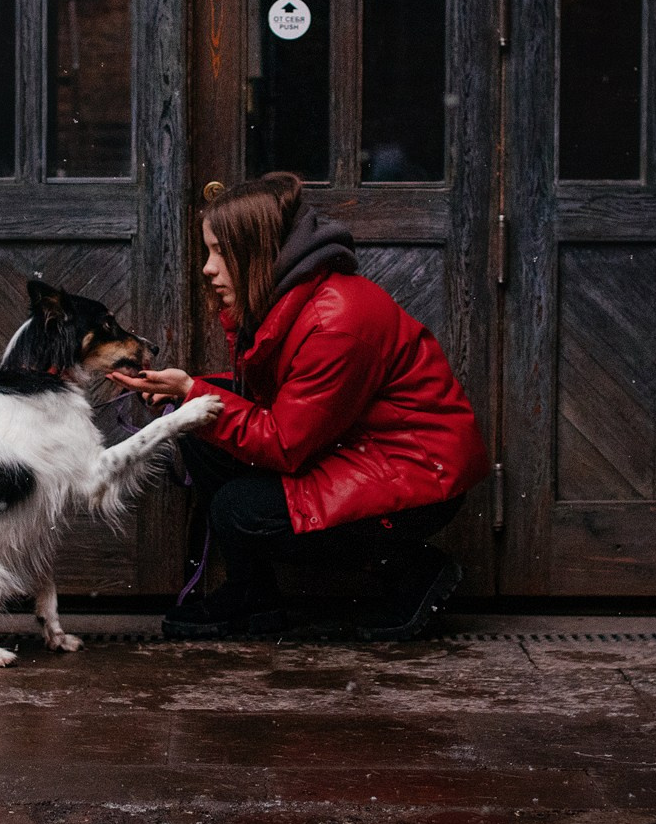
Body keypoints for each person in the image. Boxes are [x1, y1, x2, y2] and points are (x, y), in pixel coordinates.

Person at [109, 172, 491, 641]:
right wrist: (186, 392)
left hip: (418, 476)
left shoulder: (335, 320)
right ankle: (254, 595)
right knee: (202, 435)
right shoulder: (287, 298)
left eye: (220, 252)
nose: (208, 268)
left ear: (257, 251)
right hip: (362, 449)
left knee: (240, 508)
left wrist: (193, 393)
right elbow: (288, 401)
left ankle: (414, 569)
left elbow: (285, 444)